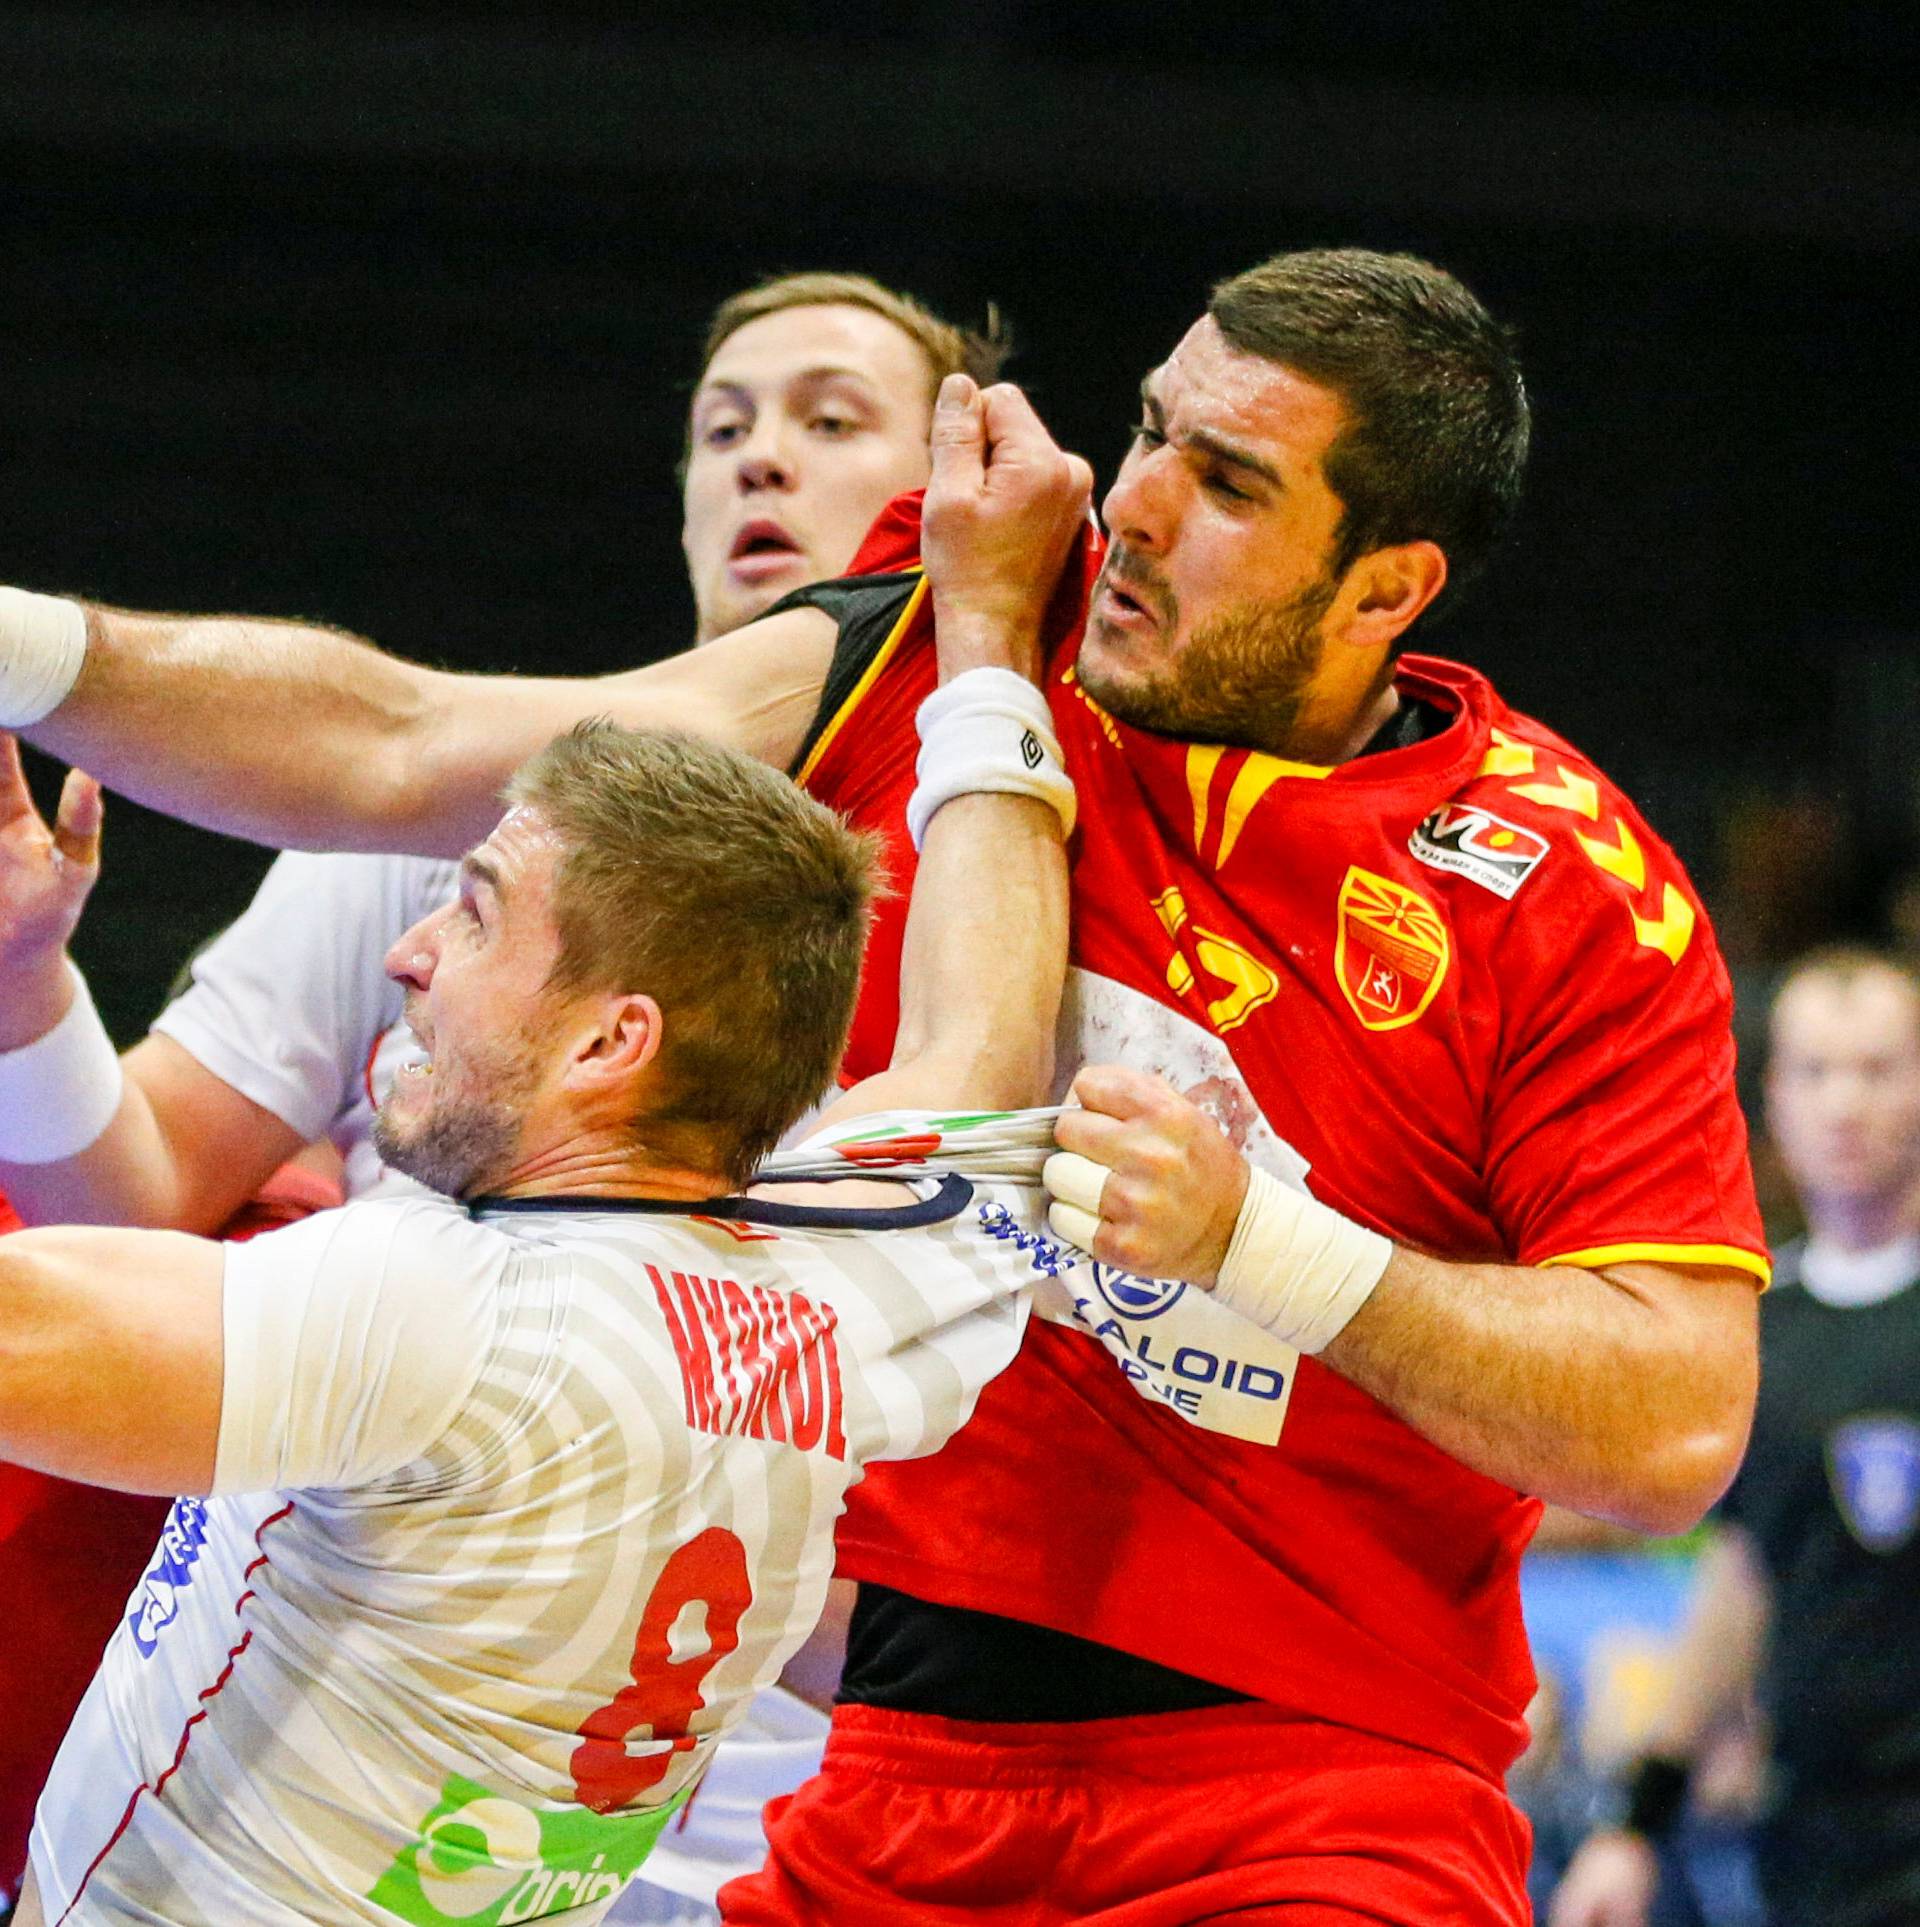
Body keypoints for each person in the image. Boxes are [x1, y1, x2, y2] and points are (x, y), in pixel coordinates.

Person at [0, 248, 1768, 1923]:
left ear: (1389, 586)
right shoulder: (950, 665)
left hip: (1312, 1786)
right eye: (1148, 428)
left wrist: (1268, 1243)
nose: (1136, 503)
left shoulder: (1563, 895)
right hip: (894, 1772)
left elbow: (1673, 1427)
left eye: (1226, 482)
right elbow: (400, 745)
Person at [8, 385, 1092, 1922]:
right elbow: (980, 1035)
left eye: (472, 910)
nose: (410, 953)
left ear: (611, 1039)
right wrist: (985, 642)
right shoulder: (851, 1285)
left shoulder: (444, 1310)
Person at [1552, 947, 1920, 1927]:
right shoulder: (1758, 1328)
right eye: (1815, 1071)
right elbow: (1746, 1571)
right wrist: (1638, 1819)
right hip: (1813, 1840)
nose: (1845, 1103)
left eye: (1879, 1069)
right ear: (1773, 1101)